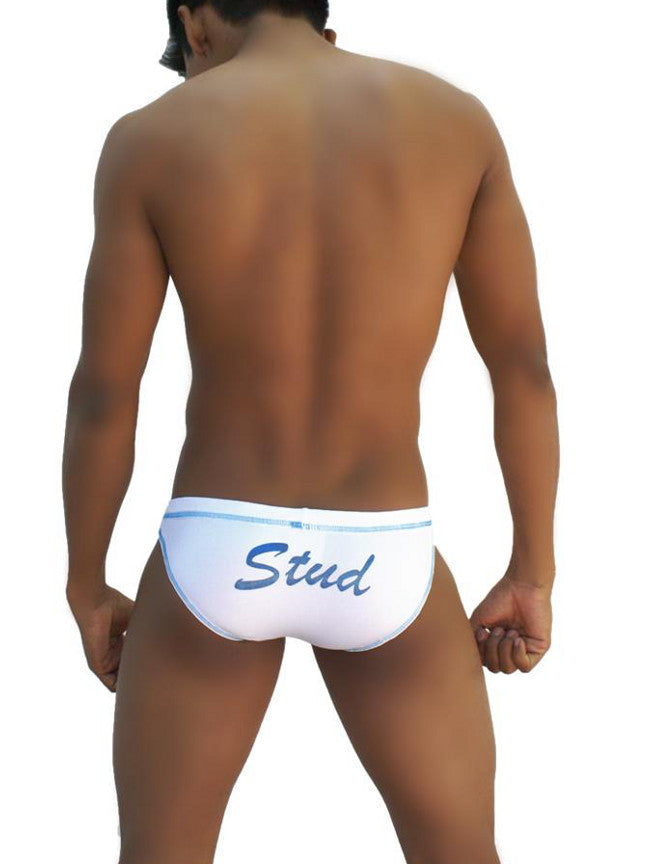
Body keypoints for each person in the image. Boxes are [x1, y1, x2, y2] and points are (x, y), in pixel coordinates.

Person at [62, 2, 559, 862]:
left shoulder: (150, 137)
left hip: (217, 544)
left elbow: (106, 393)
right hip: (383, 551)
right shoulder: (457, 122)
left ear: (196, 22)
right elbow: (523, 371)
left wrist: (86, 582)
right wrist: (531, 573)